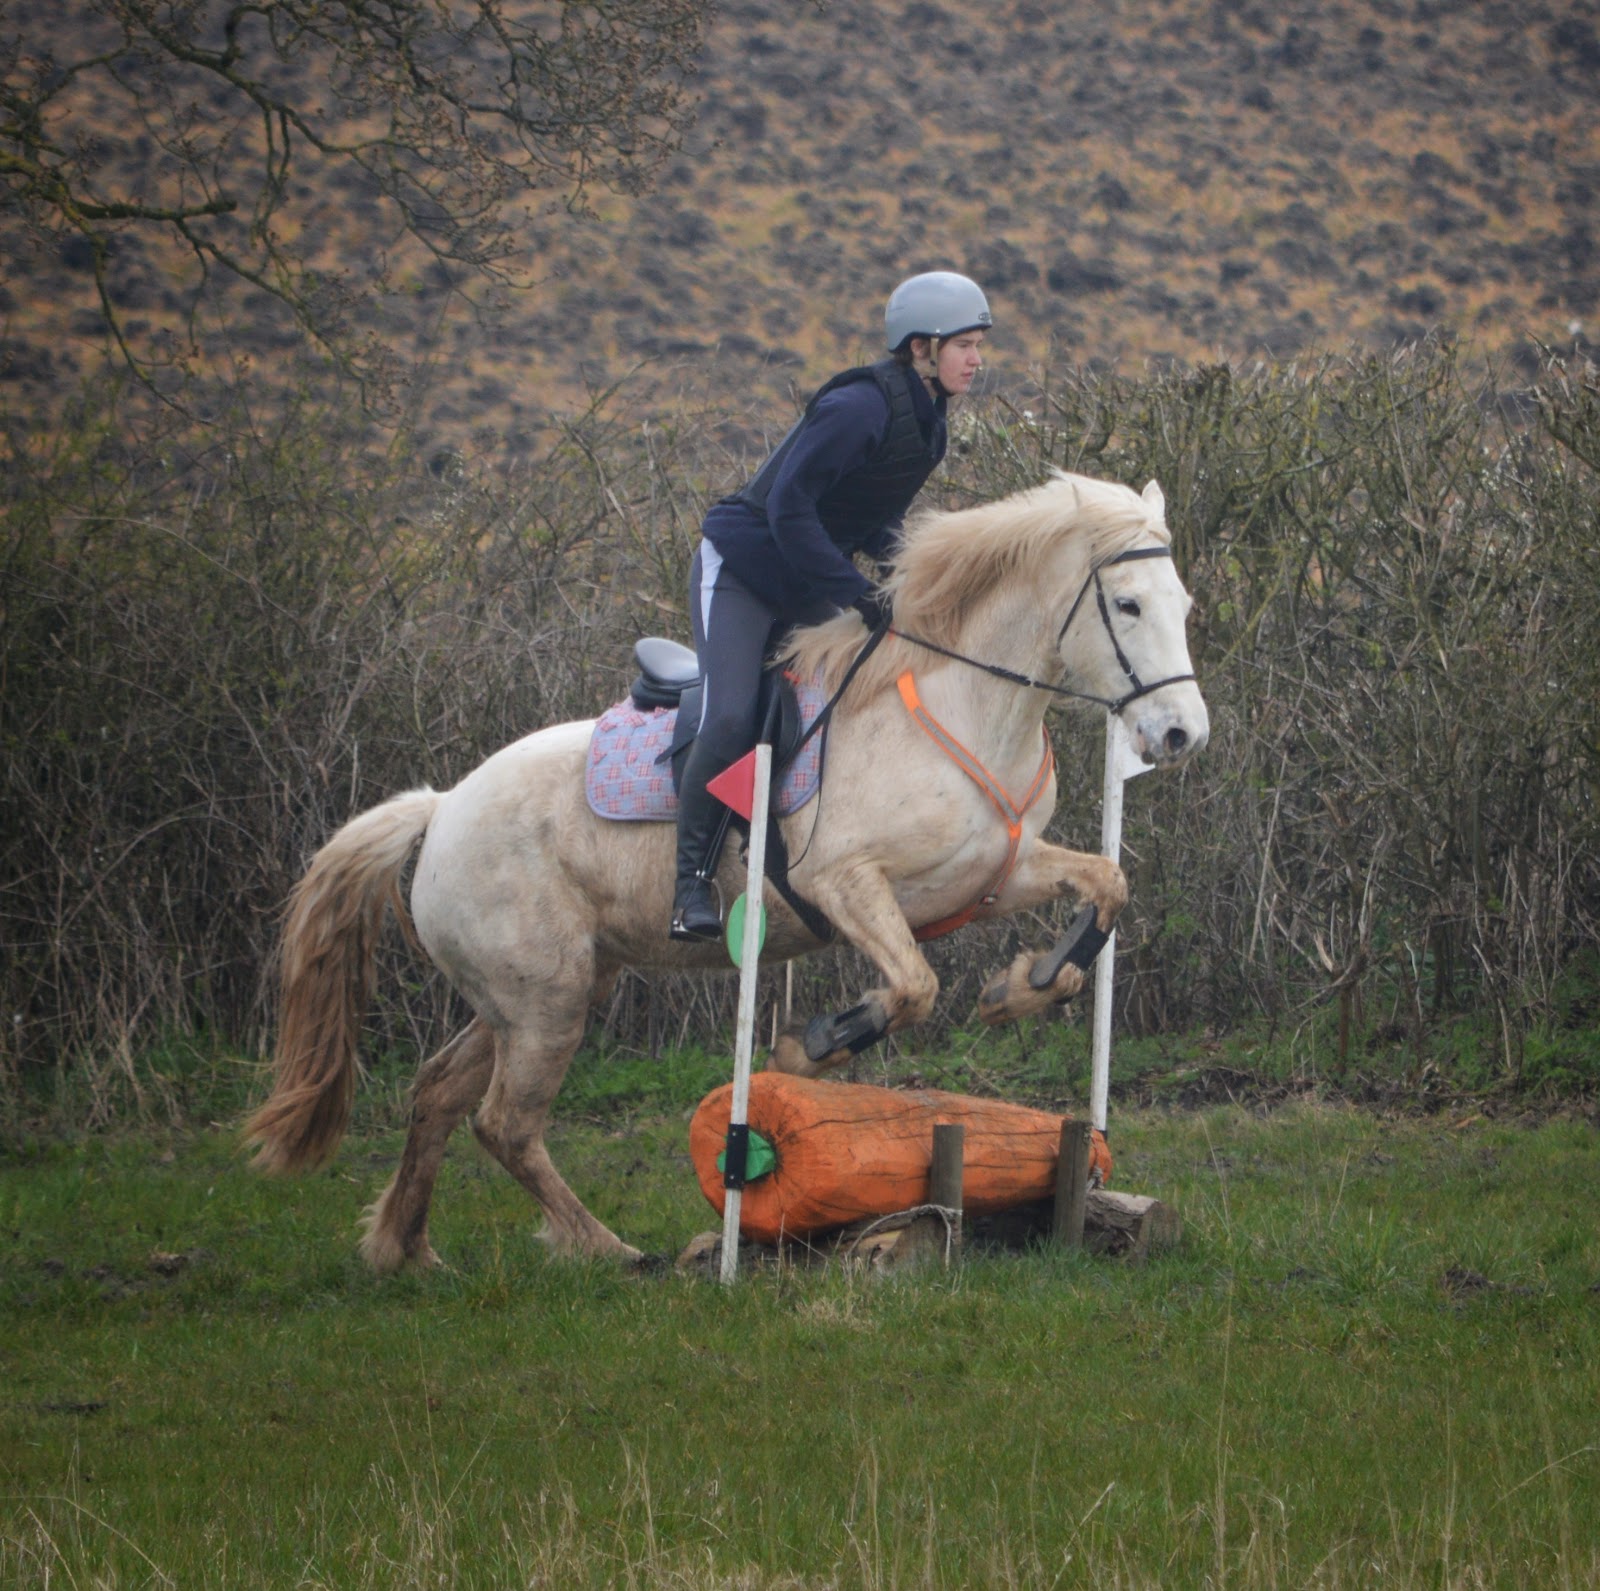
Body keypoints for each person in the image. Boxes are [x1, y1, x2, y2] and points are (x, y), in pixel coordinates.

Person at [670, 269, 992, 941]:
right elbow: (789, 509)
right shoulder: (858, 408)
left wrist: (912, 585)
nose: (976, 359)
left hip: (805, 577)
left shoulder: (930, 426)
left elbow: (871, 520)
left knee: (873, 685)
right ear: (921, 348)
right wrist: (854, 591)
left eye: (978, 345)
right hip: (741, 571)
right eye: (963, 345)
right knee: (730, 714)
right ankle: (690, 883)